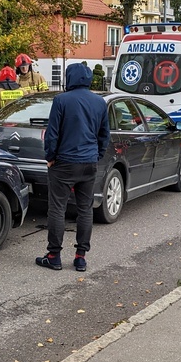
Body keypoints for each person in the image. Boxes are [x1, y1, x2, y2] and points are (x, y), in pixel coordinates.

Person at [36, 63, 109, 272]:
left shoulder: (61, 100)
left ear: (70, 78)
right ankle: (80, 257)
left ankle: (54, 255)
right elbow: (104, 134)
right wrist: (97, 155)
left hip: (64, 163)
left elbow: (53, 133)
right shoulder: (99, 102)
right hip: (89, 163)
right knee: (85, 209)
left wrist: (50, 157)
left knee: (57, 208)